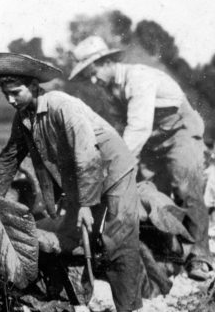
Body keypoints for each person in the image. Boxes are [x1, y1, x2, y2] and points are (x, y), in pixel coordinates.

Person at [0, 52, 144, 312]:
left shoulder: (62, 106)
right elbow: (8, 160)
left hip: (113, 169)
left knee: (118, 236)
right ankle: (75, 295)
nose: (10, 100)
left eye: (15, 93)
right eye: (6, 94)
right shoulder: (24, 119)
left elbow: (87, 156)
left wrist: (85, 205)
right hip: (85, 178)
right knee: (68, 237)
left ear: (33, 87)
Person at [69, 36, 213, 281]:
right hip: (152, 142)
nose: (93, 81)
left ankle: (201, 255)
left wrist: (117, 163)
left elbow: (139, 128)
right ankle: (170, 252)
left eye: (93, 73)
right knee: (149, 191)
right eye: (88, 77)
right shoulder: (112, 89)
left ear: (107, 62)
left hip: (179, 131)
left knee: (186, 181)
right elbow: (119, 128)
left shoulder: (139, 78)